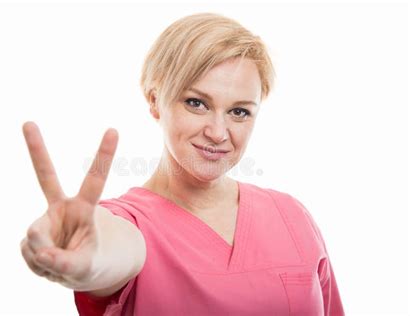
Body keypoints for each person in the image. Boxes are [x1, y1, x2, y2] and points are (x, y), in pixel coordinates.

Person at [20, 12, 345, 316]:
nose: (218, 133)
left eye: (239, 111)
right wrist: (88, 259)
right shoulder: (128, 224)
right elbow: (114, 251)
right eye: (196, 103)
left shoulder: (292, 217)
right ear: (154, 100)